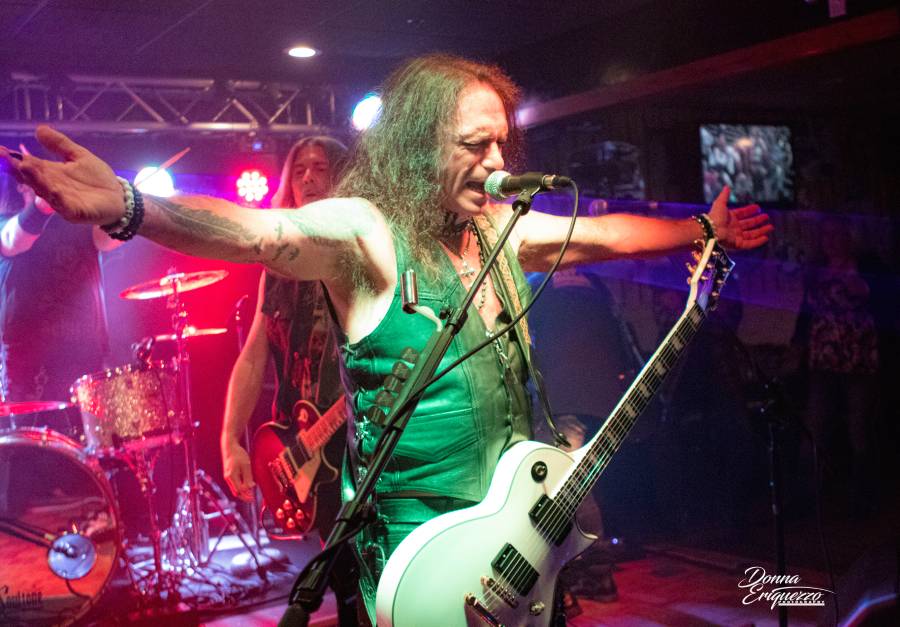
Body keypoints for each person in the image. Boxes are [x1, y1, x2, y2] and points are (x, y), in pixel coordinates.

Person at [1, 54, 773, 623]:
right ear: (420, 145)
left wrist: (698, 228)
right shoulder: (368, 233)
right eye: (475, 144)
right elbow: (262, 232)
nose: (497, 162)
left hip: (515, 553)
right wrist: (133, 205)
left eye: (501, 144)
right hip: (422, 563)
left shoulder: (499, 230)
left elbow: (603, 236)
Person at [219, 135, 360, 625]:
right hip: (304, 444)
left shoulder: (358, 253)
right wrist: (230, 439)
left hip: (358, 440)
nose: (308, 178)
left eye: (320, 167)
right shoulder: (276, 268)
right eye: (299, 170)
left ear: (342, 178)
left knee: (372, 571)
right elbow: (253, 356)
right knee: (342, 579)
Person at [0, 171, 120, 412]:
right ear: (22, 187)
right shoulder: (6, 222)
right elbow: (14, 239)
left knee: (87, 434)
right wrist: (42, 206)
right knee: (30, 434)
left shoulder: (79, 224)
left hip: (84, 353)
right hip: (29, 362)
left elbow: (108, 239)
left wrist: (126, 207)